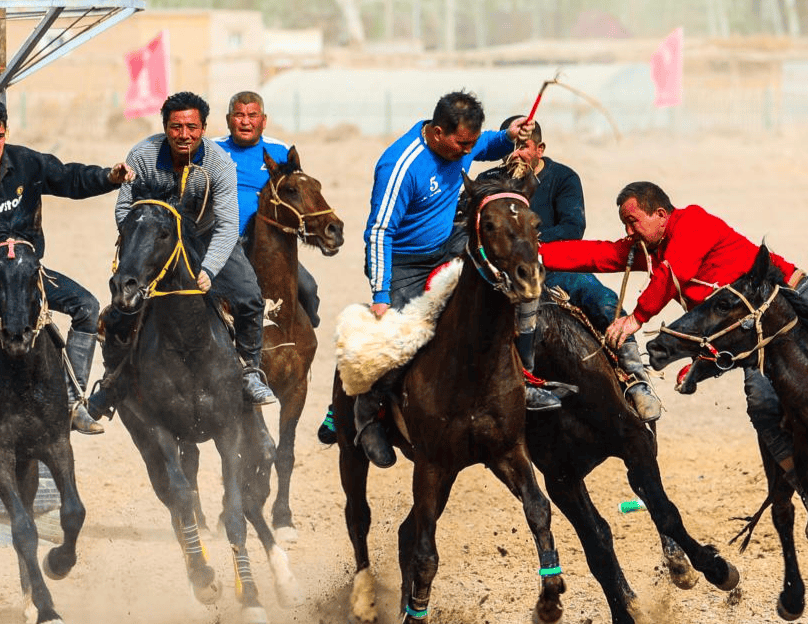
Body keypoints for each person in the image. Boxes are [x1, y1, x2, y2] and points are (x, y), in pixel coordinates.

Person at [540, 180, 808, 539]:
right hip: (761, 338)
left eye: (633, 221)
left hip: (793, 294)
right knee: (761, 403)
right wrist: (533, 254)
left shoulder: (692, 222)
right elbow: (593, 254)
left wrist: (637, 318)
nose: (629, 231)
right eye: (625, 224)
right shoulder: (648, 249)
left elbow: (673, 272)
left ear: (660, 214)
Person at [319, 90, 551, 467]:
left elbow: (487, 145)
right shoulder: (399, 165)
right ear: (438, 132)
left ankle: (526, 375)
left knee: (502, 287)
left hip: (449, 244)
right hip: (403, 262)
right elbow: (379, 232)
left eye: (471, 143)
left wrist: (508, 133)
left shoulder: (460, 143)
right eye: (462, 144)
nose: (467, 151)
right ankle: (369, 414)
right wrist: (381, 293)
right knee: (397, 337)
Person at [0, 97, 132, 445]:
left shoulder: (26, 163)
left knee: (87, 307)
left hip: (24, 269)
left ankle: (72, 400)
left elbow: (70, 178)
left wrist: (109, 177)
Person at [87, 91, 276, 419]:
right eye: (176, 127)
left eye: (191, 127)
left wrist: (211, 268)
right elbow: (124, 209)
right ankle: (113, 380)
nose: (184, 134)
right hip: (154, 242)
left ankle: (249, 372)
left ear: (203, 127)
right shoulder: (143, 155)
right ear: (165, 127)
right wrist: (142, 242)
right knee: (122, 305)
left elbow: (229, 224)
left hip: (206, 240)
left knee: (249, 297)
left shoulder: (218, 162)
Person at [488, 115, 661, 420]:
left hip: (556, 266)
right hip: (502, 273)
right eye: (510, 146)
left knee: (599, 296)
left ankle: (636, 379)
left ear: (540, 148)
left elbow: (572, 227)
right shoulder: (491, 181)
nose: (516, 153)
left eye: (524, 147)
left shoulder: (563, 178)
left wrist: (524, 243)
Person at [214, 90, 321, 328]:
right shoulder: (211, 149)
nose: (245, 121)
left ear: (263, 120)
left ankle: (304, 336)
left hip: (269, 245)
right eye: (239, 115)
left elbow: (296, 195)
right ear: (228, 119)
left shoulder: (280, 150)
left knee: (308, 287)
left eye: (252, 115)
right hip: (222, 244)